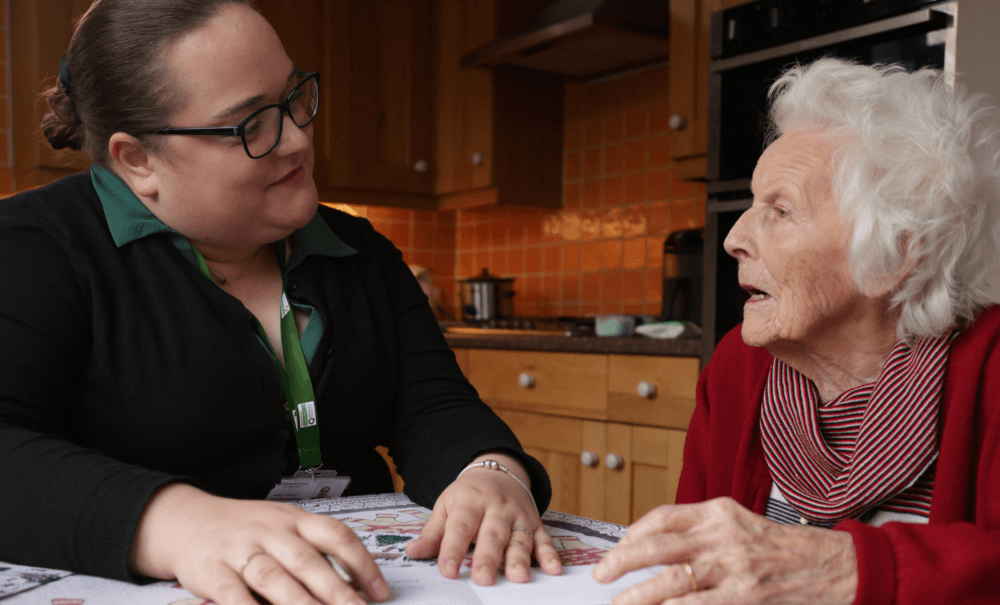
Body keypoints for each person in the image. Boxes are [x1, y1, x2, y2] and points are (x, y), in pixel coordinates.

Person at [0, 1, 563, 604]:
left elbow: (432, 405)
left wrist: (491, 471)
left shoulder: (359, 249)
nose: (297, 138)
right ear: (137, 160)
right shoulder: (33, 247)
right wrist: (176, 524)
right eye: (251, 125)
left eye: (294, 98)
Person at [593, 57, 1000, 604]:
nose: (734, 238)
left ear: (896, 253)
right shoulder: (738, 367)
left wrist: (849, 569)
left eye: (779, 210)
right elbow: (695, 563)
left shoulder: (992, 367)